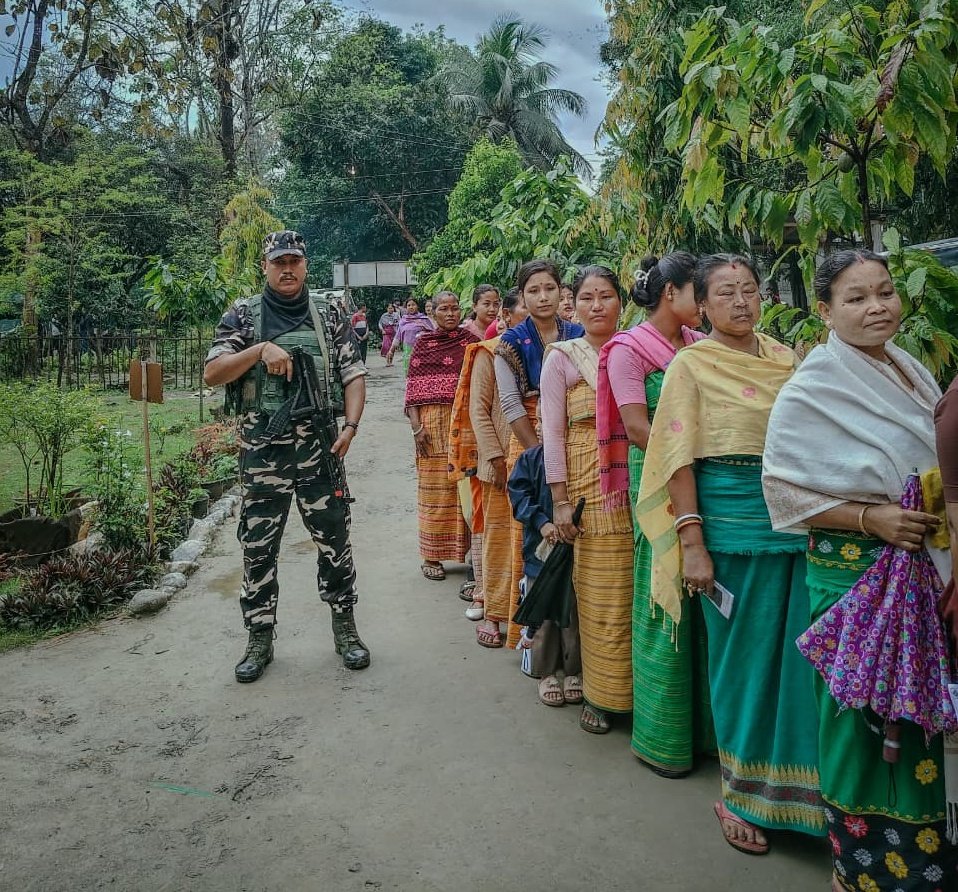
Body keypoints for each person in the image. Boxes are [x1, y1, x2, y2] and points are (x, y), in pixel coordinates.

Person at [764, 250, 956, 891]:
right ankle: (861, 867)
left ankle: (923, 856)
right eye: (856, 297)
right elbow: (783, 492)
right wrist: (871, 519)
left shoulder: (912, 370)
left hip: (918, 569)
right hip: (855, 576)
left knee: (915, 715)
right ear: (825, 310)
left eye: (885, 292)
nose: (877, 307)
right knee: (860, 720)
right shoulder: (811, 390)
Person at [637, 253, 825, 853]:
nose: (741, 301)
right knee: (740, 663)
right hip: (729, 532)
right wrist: (693, 544)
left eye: (748, 289)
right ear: (703, 304)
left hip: (795, 528)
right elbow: (677, 459)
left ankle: (805, 797)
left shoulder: (786, 360)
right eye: (725, 293)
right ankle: (739, 795)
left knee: (801, 665)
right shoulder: (690, 366)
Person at [204, 230, 370, 682]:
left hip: (320, 446)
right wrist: (259, 349)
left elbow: (354, 373)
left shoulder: (329, 311)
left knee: (335, 541)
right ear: (265, 266)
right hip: (262, 452)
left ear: (305, 264)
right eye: (279, 261)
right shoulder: (243, 314)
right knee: (258, 548)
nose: (287, 268)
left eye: (294, 260)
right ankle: (259, 638)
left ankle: (346, 629)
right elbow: (213, 372)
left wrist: (351, 427)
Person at [597, 253, 712, 775]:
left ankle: (707, 735)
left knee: (703, 606)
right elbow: (637, 427)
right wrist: (688, 454)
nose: (706, 302)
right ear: (672, 293)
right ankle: (661, 739)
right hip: (658, 483)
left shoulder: (698, 346)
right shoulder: (627, 350)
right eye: (699, 292)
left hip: (702, 476)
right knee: (662, 601)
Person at [540, 265, 632, 732]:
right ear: (572, 305)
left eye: (607, 296)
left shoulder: (637, 350)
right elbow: (551, 433)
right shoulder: (562, 357)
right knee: (597, 595)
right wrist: (559, 500)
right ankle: (600, 695)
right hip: (586, 491)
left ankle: (641, 696)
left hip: (635, 487)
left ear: (622, 302)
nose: (597, 306)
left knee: (637, 596)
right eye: (588, 298)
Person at [495, 260, 584, 648]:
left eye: (550, 288)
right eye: (534, 290)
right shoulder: (510, 345)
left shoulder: (580, 334)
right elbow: (512, 406)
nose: (543, 297)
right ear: (522, 296)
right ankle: (537, 637)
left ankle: (579, 643)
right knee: (538, 537)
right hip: (531, 443)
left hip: (580, 439)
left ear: (561, 291)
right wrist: (544, 457)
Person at [468, 288, 529, 646]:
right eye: (525, 303)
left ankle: (528, 620)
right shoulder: (487, 353)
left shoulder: (552, 348)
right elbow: (479, 410)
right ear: (506, 316)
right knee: (499, 540)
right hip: (498, 467)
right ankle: (494, 612)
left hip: (536, 461)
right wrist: (495, 458)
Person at [405, 292, 479, 581]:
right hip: (431, 424)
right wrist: (416, 427)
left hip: (464, 420)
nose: (450, 314)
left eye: (454, 308)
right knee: (434, 489)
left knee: (465, 487)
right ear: (432, 312)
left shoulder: (470, 342)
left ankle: (470, 553)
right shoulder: (424, 344)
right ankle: (432, 555)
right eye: (444, 309)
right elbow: (411, 390)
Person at [507, 443, 582, 704]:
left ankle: (573, 671)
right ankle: (545, 673)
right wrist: (542, 523)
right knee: (543, 615)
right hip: (540, 553)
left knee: (572, 614)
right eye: (538, 420)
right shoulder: (530, 459)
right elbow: (518, 496)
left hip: (573, 552)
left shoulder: (578, 454)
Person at [389, 298, 435, 372]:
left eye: (413, 305)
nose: (411, 307)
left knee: (422, 373)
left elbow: (433, 334)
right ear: (406, 308)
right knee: (409, 373)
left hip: (423, 352)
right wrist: (391, 351)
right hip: (408, 352)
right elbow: (397, 337)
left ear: (417, 306)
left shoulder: (424, 319)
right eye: (409, 305)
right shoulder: (403, 321)